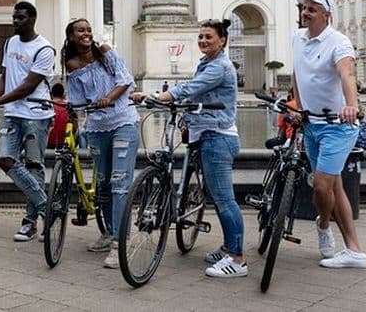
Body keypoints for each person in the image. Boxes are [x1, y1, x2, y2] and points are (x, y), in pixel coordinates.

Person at [132, 18, 247, 278]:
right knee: (218, 197)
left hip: (217, 137)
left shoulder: (220, 67)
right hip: (203, 133)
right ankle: (229, 246)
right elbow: (192, 94)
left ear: (223, 40)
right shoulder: (206, 63)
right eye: (201, 37)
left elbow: (191, 88)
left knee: (225, 199)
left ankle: (238, 259)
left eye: (209, 37)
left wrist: (158, 96)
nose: (203, 41)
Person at [292, 0, 366, 269]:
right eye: (305, 7)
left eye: (313, 9)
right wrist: (299, 107)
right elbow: (298, 74)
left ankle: (323, 225)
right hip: (312, 124)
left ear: (327, 15)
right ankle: (354, 250)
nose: (306, 12)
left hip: (338, 125)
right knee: (333, 185)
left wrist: (351, 105)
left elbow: (346, 73)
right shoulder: (296, 38)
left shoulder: (339, 42)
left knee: (322, 186)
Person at [0, 1, 54, 242]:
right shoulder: (10, 42)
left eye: (20, 18)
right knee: (6, 158)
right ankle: (45, 206)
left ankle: (29, 223)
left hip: (36, 115)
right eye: (14, 17)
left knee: (34, 166)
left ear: (32, 19)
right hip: (13, 113)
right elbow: (6, 77)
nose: (15, 21)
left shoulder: (45, 49)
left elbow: (28, 86)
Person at [62, 18, 139, 269]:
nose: (86, 33)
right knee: (103, 183)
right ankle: (108, 233)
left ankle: (121, 242)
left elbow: (125, 79)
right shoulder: (71, 63)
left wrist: (108, 98)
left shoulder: (105, 51)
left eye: (88, 30)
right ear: (71, 37)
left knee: (119, 182)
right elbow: (76, 98)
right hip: (97, 128)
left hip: (123, 120)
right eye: (80, 31)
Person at [46, 83, 69, 149]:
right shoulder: (68, 106)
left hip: (48, 142)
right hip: (64, 142)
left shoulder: (48, 105)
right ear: (63, 94)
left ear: (51, 94)